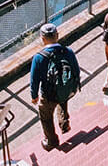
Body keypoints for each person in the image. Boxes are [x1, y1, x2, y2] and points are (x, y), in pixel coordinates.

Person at [30, 23, 80, 151]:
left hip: (48, 95)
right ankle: (64, 124)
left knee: (45, 117)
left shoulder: (39, 57)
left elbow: (34, 79)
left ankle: (51, 141)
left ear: (42, 39)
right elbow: (76, 70)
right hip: (66, 89)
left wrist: (34, 96)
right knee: (62, 98)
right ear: (57, 36)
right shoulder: (68, 51)